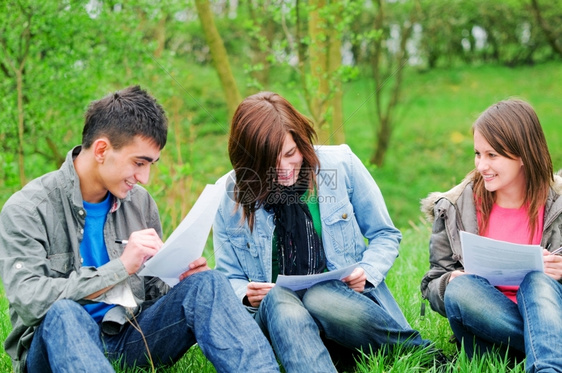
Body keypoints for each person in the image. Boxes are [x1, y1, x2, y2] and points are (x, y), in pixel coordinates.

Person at [0, 86, 279, 373]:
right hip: (55, 346)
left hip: (126, 337)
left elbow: (154, 295)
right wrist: (121, 267)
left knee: (208, 283)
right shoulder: (27, 209)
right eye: (138, 162)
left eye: (150, 165)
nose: (144, 177)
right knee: (65, 313)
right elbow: (31, 302)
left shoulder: (140, 204)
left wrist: (179, 280)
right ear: (101, 150)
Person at [213, 91, 430, 373]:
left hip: (343, 309)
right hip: (281, 321)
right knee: (279, 298)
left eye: (290, 154)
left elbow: (385, 234)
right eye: (270, 161)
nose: (284, 169)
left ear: (302, 141)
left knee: (319, 295)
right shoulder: (231, 195)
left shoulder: (341, 165)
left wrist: (367, 271)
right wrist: (245, 294)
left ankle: (419, 353)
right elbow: (227, 275)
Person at [420, 99, 562, 371]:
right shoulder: (455, 206)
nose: (481, 165)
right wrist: (449, 281)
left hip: (548, 312)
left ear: (523, 154)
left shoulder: (558, 203)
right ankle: (548, 348)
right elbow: (431, 283)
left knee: (538, 280)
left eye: (492, 155)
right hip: (486, 330)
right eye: (478, 154)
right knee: (462, 289)